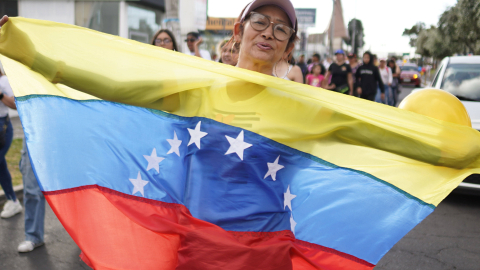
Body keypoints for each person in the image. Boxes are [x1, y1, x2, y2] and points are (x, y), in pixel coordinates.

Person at [0, 68, 21, 219]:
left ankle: (13, 200)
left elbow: (15, 104)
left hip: (3, 128)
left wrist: (0, 94)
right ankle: (12, 200)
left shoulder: (4, 81)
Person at [17, 141, 46, 252]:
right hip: (34, 133)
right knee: (31, 190)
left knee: (75, 186)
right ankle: (33, 236)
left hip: (63, 129)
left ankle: (84, 235)